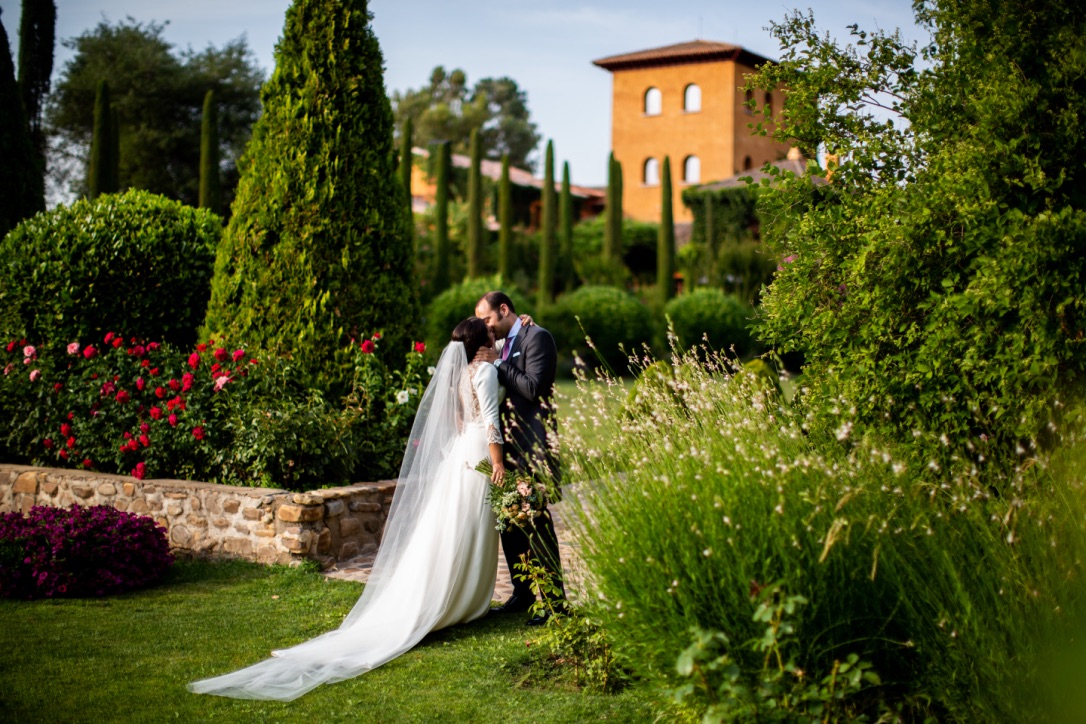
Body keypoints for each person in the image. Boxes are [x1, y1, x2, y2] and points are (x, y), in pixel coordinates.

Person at [188, 318, 505, 701]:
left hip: (460, 455)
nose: (495, 334)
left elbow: (461, 418)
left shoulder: (461, 375)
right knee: (469, 526)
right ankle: (462, 600)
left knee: (456, 527)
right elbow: (491, 424)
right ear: (481, 343)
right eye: (490, 333)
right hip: (479, 455)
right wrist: (498, 464)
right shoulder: (486, 370)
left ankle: (455, 595)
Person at [474, 291, 568, 625]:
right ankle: (523, 592)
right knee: (510, 523)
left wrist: (499, 364)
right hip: (506, 450)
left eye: (488, 320)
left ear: (504, 310)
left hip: (533, 446)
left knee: (537, 523)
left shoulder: (537, 337)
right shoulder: (500, 343)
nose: (486, 327)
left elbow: (534, 388)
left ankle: (556, 603)